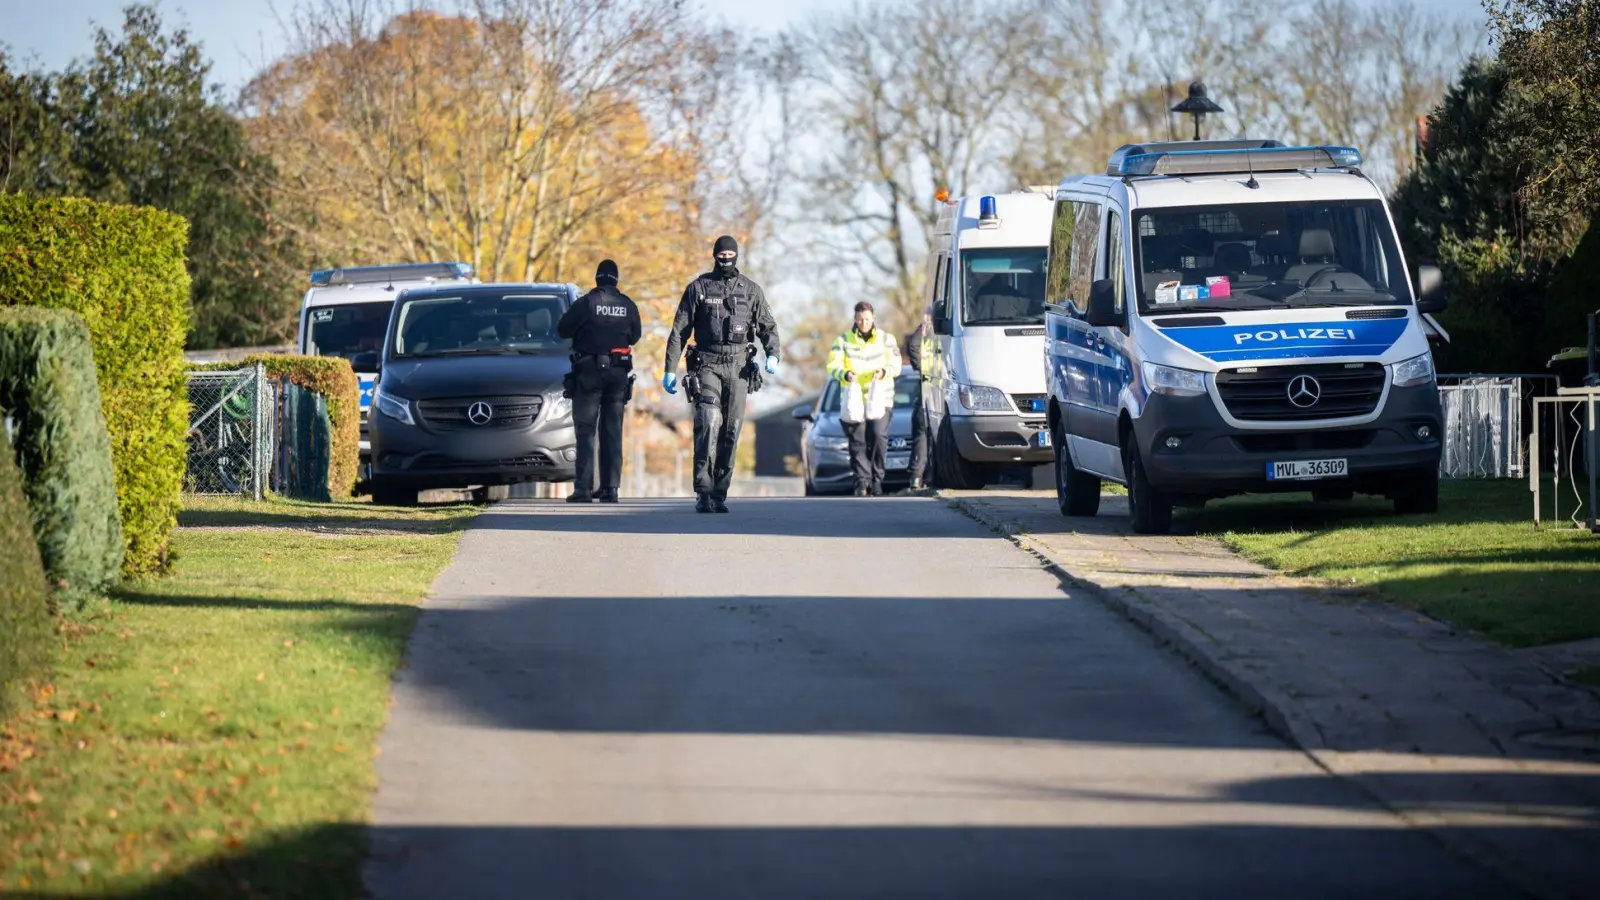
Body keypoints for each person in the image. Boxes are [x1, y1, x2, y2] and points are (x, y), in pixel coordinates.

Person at [662, 236, 781, 514]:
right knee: (708, 421)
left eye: (730, 253)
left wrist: (773, 353)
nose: (725, 258)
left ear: (736, 255)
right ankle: (703, 491)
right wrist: (669, 368)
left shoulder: (751, 290)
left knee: (731, 429)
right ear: (714, 255)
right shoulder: (699, 288)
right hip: (708, 363)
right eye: (721, 253)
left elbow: (768, 326)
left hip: (739, 366)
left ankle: (720, 492)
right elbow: (679, 331)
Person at [557, 259, 642, 503]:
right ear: (616, 280)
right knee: (612, 432)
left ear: (597, 278)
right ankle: (610, 490)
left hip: (588, 374)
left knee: (586, 433)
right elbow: (635, 336)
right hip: (617, 374)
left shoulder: (585, 303)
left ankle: (583, 489)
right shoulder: (628, 305)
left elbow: (563, 329)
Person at [827, 301, 902, 497]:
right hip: (854, 401)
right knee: (857, 442)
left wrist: (883, 371)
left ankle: (877, 481)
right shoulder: (842, 341)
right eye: (860, 320)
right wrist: (845, 374)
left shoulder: (887, 340)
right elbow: (832, 366)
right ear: (855, 319)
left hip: (880, 398)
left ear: (873, 318)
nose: (863, 323)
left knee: (878, 437)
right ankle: (862, 482)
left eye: (867, 319)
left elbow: (896, 365)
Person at [902, 306, 934, 491]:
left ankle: (917, 478)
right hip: (932, 391)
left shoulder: (927, 332)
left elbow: (913, 345)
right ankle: (922, 477)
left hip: (927, 390)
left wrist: (921, 368)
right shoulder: (935, 331)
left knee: (921, 437)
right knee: (926, 437)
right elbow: (913, 345)